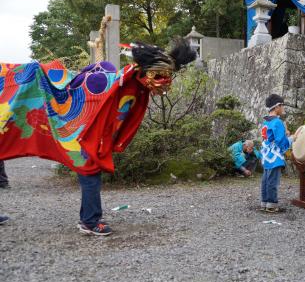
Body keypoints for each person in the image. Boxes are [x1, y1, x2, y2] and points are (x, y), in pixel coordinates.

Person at [0, 40, 196, 236]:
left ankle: (89, 219)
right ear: (145, 71)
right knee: (90, 171)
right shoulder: (110, 81)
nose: (164, 81)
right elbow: (85, 95)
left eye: (167, 76)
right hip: (79, 129)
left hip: (88, 133)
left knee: (90, 172)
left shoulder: (134, 85)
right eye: (159, 75)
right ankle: (90, 221)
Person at [260, 94, 294, 213]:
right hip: (274, 155)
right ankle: (271, 204)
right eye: (282, 105)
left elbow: (269, 138)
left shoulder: (266, 122)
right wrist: (291, 139)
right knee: (272, 180)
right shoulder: (277, 122)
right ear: (277, 107)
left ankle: (264, 202)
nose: (283, 108)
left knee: (266, 179)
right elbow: (280, 141)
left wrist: (285, 134)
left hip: (266, 155)